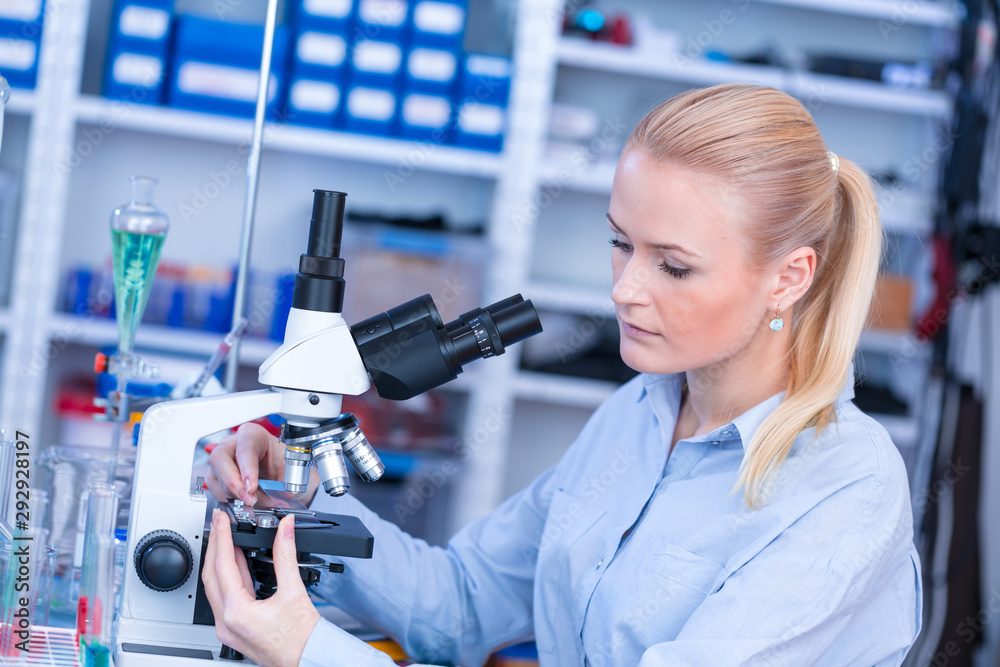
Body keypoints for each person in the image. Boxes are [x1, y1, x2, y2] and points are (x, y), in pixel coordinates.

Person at [201, 83, 922, 666]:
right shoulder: (638, 413)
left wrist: (312, 653)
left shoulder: (847, 488)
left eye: (672, 265)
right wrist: (289, 500)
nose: (625, 289)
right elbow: (463, 603)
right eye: (619, 243)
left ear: (789, 279)